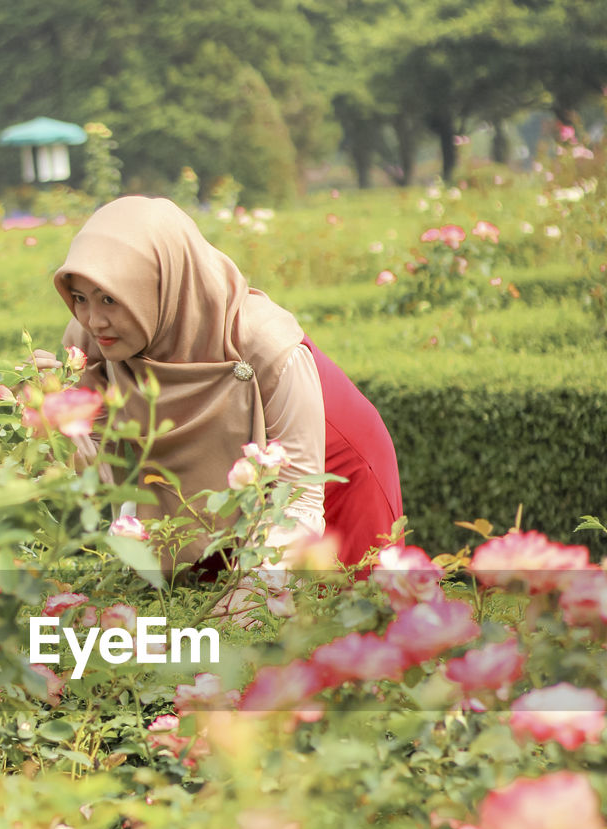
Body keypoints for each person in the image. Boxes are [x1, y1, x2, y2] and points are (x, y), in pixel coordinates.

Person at [33, 195, 402, 586]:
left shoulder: (262, 340)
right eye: (80, 298)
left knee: (333, 615)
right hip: (228, 469)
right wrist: (52, 419)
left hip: (325, 469)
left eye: (110, 298)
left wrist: (251, 595)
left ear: (160, 285)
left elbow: (300, 497)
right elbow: (101, 467)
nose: (93, 319)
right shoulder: (93, 339)